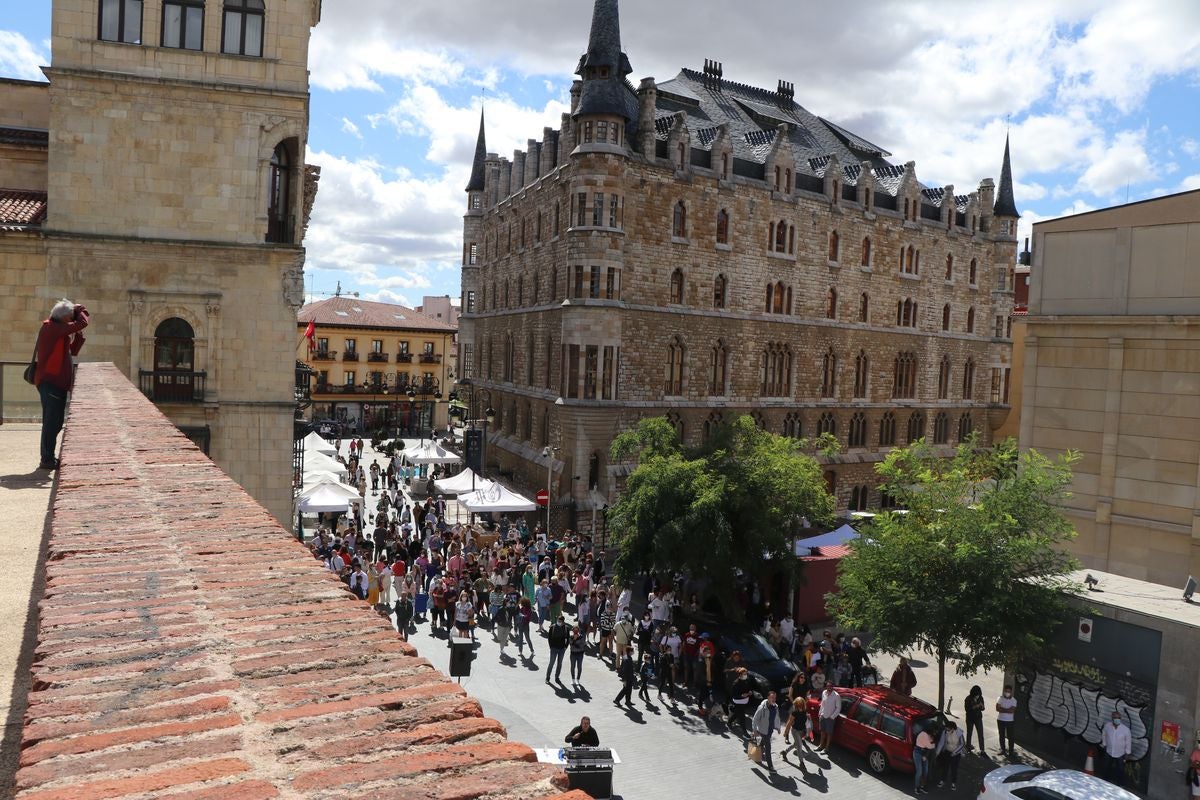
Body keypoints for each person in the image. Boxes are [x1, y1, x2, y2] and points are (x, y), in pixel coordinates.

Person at [33, 299, 90, 470]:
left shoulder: (58, 331)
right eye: (70, 317)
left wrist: (77, 337)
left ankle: (48, 457)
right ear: (64, 317)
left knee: (55, 421)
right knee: (52, 421)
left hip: (56, 383)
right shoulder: (52, 328)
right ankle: (46, 459)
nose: (71, 320)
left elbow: (71, 351)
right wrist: (81, 310)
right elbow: (82, 322)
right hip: (51, 382)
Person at [750, 690, 783, 772]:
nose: (774, 699)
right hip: (763, 730)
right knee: (768, 748)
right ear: (768, 697)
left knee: (762, 743)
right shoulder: (762, 708)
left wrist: (778, 727)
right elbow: (755, 719)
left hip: (770, 730)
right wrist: (754, 730)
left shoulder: (775, 707)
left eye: (775, 698)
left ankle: (756, 753)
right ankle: (770, 766)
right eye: (772, 697)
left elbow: (776, 718)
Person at [1101, 712, 1131, 786]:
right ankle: (1104, 783)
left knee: (1120, 770)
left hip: (1120, 754)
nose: (1117, 719)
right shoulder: (1107, 726)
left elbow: (1128, 742)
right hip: (1109, 752)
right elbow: (1103, 734)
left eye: (1119, 718)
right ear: (1112, 718)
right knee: (1106, 768)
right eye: (1115, 718)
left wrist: (1127, 753)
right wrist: (1104, 744)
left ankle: (1120, 785)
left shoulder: (1125, 729)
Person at [782, 696, 812, 771]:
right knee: (799, 746)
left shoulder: (805, 711)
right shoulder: (794, 713)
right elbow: (789, 723)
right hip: (795, 731)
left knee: (796, 744)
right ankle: (801, 763)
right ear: (796, 704)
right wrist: (786, 732)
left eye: (801, 704)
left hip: (801, 731)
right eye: (799, 704)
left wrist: (809, 719)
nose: (800, 705)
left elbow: (808, 722)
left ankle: (785, 752)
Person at [935, 720, 966, 790]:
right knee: (945, 767)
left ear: (952, 728)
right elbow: (941, 742)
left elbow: (962, 744)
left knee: (954, 769)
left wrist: (955, 752)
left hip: (956, 754)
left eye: (948, 729)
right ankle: (942, 780)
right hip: (947, 751)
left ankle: (953, 783)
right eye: (946, 728)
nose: (946, 730)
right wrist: (937, 753)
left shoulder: (959, 732)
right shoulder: (945, 732)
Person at [816, 684, 840, 752]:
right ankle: (820, 746)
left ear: (832, 687)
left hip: (830, 718)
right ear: (826, 686)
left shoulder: (836, 695)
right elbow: (822, 704)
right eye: (828, 686)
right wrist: (820, 713)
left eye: (830, 686)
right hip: (823, 716)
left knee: (829, 733)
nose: (829, 687)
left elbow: (838, 708)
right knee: (822, 732)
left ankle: (826, 748)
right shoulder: (824, 692)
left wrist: (832, 717)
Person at [996, 685, 1018, 757]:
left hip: (1010, 721)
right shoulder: (1000, 698)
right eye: (1006, 691)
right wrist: (1007, 710)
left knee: (1010, 737)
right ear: (1004, 691)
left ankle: (1011, 751)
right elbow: (997, 709)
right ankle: (1003, 749)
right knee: (1001, 735)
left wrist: (1002, 709)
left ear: (1011, 692)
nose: (1007, 693)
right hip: (1000, 720)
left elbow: (1012, 711)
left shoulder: (1014, 700)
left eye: (1008, 692)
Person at [546, 616, 569, 684]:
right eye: (558, 620)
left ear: (563, 622)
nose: (558, 622)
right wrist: (551, 646)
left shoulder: (566, 628)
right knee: (551, 663)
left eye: (560, 621)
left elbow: (568, 639)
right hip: (554, 648)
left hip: (562, 649)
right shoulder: (552, 627)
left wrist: (565, 647)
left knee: (559, 664)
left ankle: (557, 677)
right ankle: (547, 677)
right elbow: (549, 638)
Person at [913, 726, 935, 794]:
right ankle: (917, 787)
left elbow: (930, 745)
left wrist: (932, 743)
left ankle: (922, 786)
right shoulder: (924, 735)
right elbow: (930, 746)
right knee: (919, 771)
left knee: (925, 771)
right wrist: (933, 743)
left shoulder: (927, 735)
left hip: (924, 753)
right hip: (918, 753)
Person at [964, 685, 986, 752]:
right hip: (970, 718)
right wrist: (975, 706)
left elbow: (983, 708)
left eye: (979, 694)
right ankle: (968, 747)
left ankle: (982, 749)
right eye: (976, 695)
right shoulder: (968, 698)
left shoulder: (980, 698)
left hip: (978, 717)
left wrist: (982, 706)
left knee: (980, 733)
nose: (977, 696)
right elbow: (967, 709)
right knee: (969, 733)